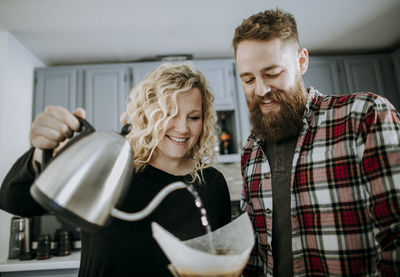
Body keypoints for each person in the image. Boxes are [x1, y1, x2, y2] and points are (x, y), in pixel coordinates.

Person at [0, 63, 232, 276]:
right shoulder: (112, 168)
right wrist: (41, 152)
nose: (182, 128)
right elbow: (14, 201)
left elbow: (221, 260)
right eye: (169, 114)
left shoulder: (213, 184)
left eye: (193, 117)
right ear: (147, 115)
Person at [232, 8, 400, 277]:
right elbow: (255, 251)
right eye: (248, 79)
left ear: (301, 62)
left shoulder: (363, 117)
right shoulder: (251, 149)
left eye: (272, 73)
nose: (261, 90)